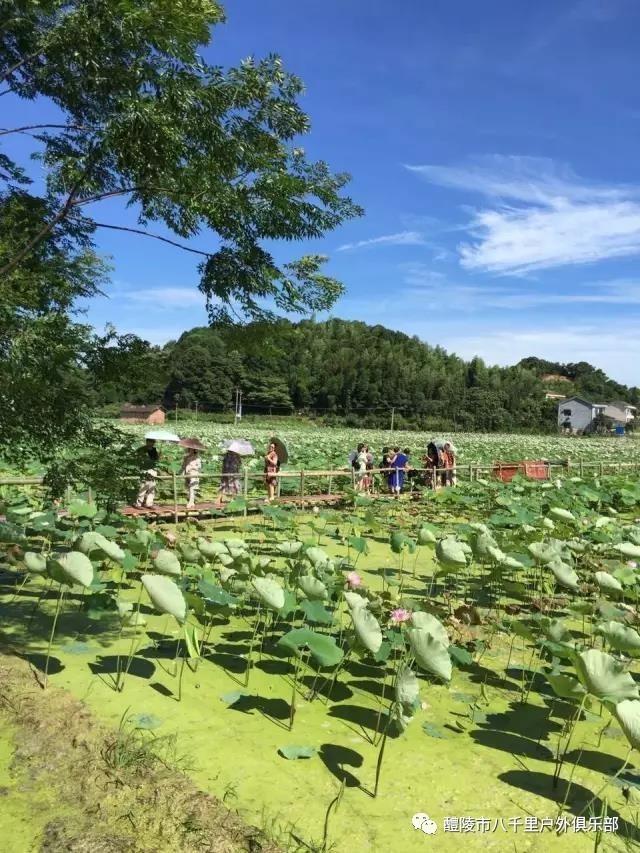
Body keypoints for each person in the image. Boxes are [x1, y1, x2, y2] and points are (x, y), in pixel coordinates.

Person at [135, 439, 160, 508]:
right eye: (150, 442)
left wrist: (159, 456)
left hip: (153, 469)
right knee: (143, 486)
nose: (151, 443)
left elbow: (156, 460)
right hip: (144, 470)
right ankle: (138, 503)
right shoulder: (142, 449)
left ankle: (149, 503)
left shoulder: (154, 450)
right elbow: (138, 458)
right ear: (147, 442)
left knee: (152, 487)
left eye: (153, 442)